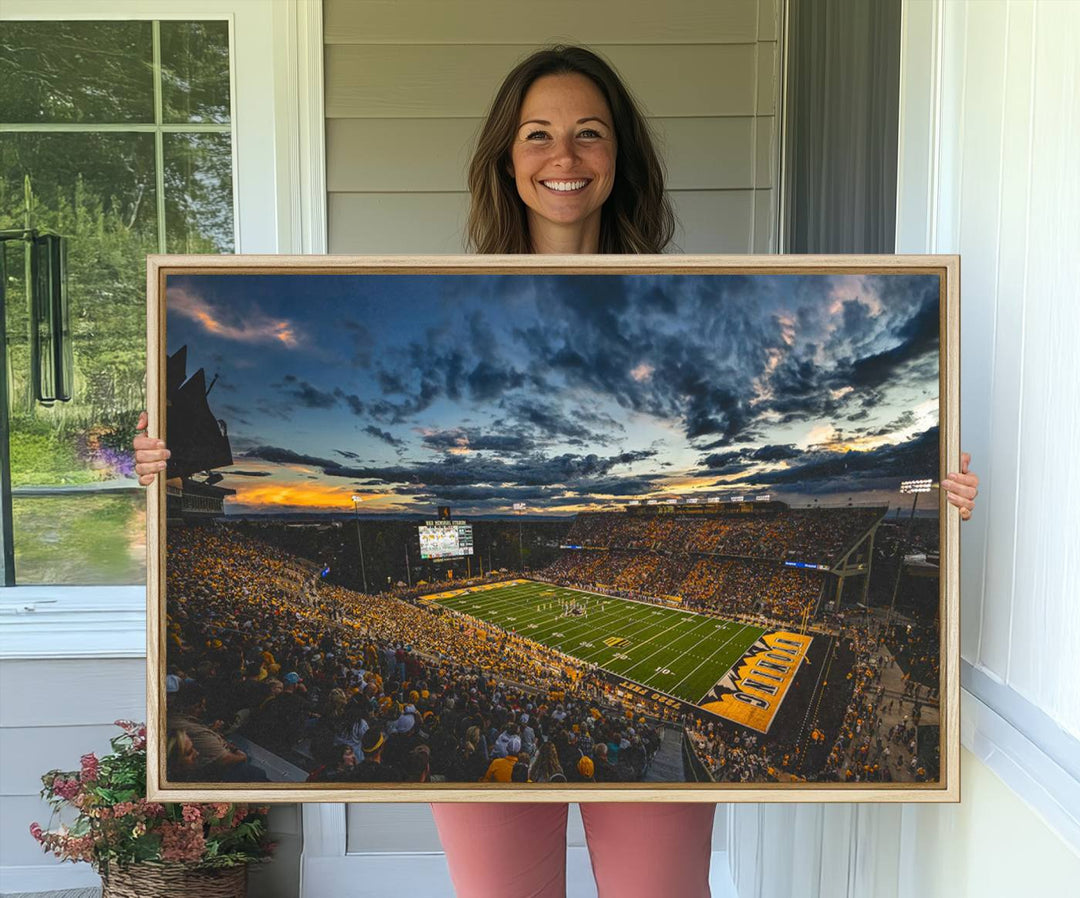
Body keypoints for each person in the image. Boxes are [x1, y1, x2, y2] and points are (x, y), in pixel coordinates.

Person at [135, 43, 981, 898]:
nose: (563, 157)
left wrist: (937, 495)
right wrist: (156, 465)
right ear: (507, 157)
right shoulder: (449, 303)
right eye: (538, 134)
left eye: (589, 133)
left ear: (620, 158)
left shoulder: (679, 300)